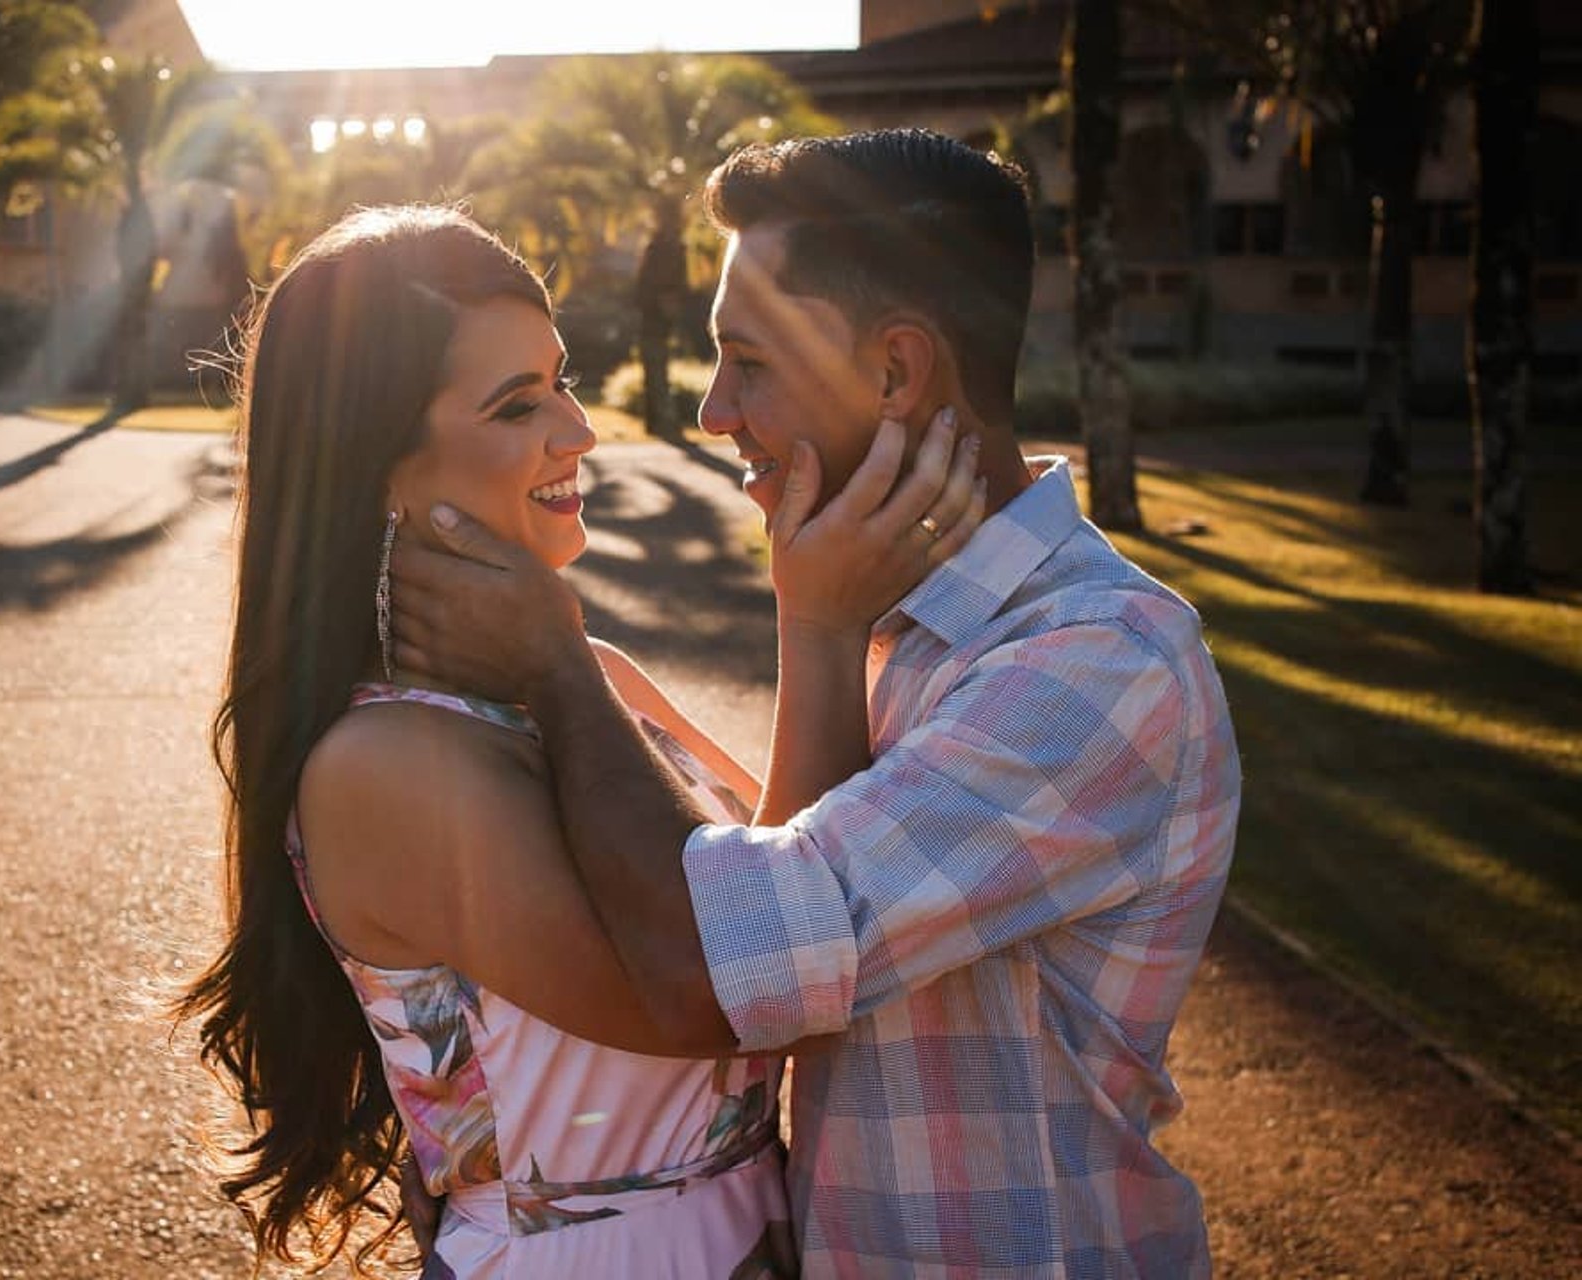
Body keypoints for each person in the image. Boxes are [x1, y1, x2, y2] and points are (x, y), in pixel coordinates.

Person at [390, 129, 1243, 1276]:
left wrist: (556, 664)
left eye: (749, 360)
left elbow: (722, 963)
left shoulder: (1093, 663)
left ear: (895, 372)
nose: (712, 411)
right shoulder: (913, 620)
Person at [174, 203, 986, 1278]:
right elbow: (743, 996)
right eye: (517, 405)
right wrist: (818, 622)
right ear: (377, 469)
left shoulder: (590, 679)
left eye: (561, 377)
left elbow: (794, 887)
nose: (578, 429)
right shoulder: (381, 766)